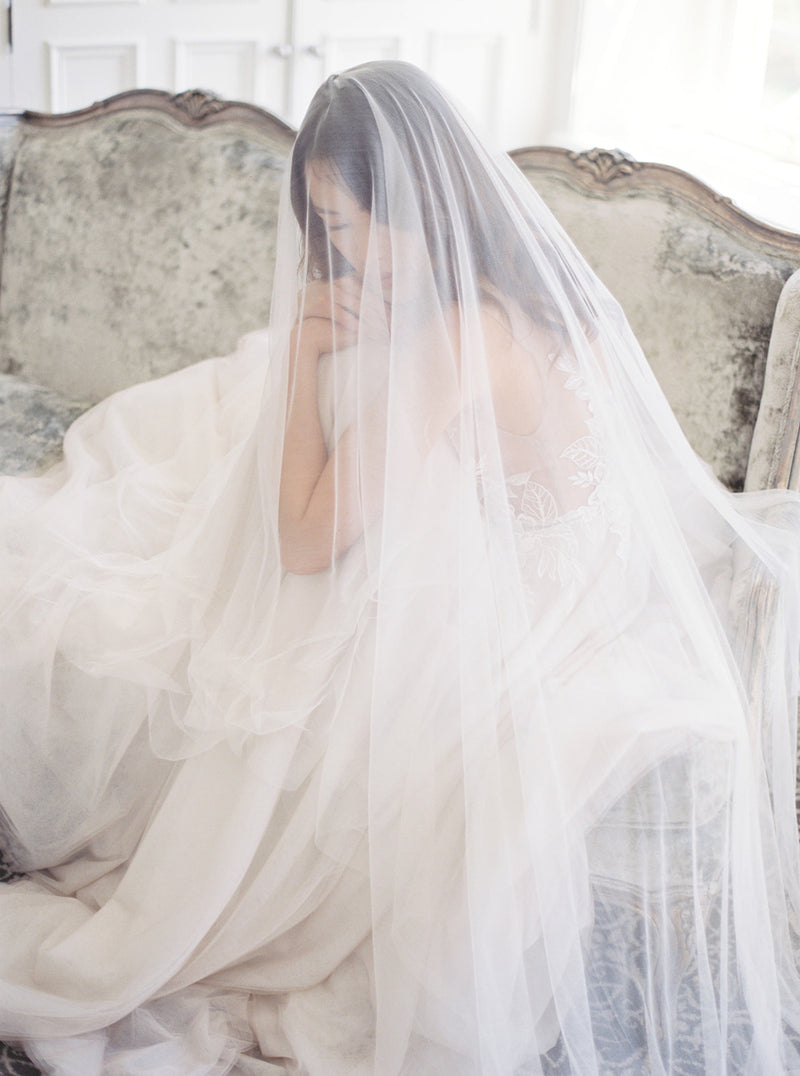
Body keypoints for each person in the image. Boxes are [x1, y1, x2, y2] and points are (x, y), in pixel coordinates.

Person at [1, 59, 800, 1075]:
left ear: (422, 202)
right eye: (325, 239)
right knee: (254, 449)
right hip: (598, 595)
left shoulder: (456, 339)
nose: (341, 264)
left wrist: (303, 360)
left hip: (535, 630)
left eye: (350, 231)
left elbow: (303, 538)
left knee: (278, 636)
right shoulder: (545, 302)